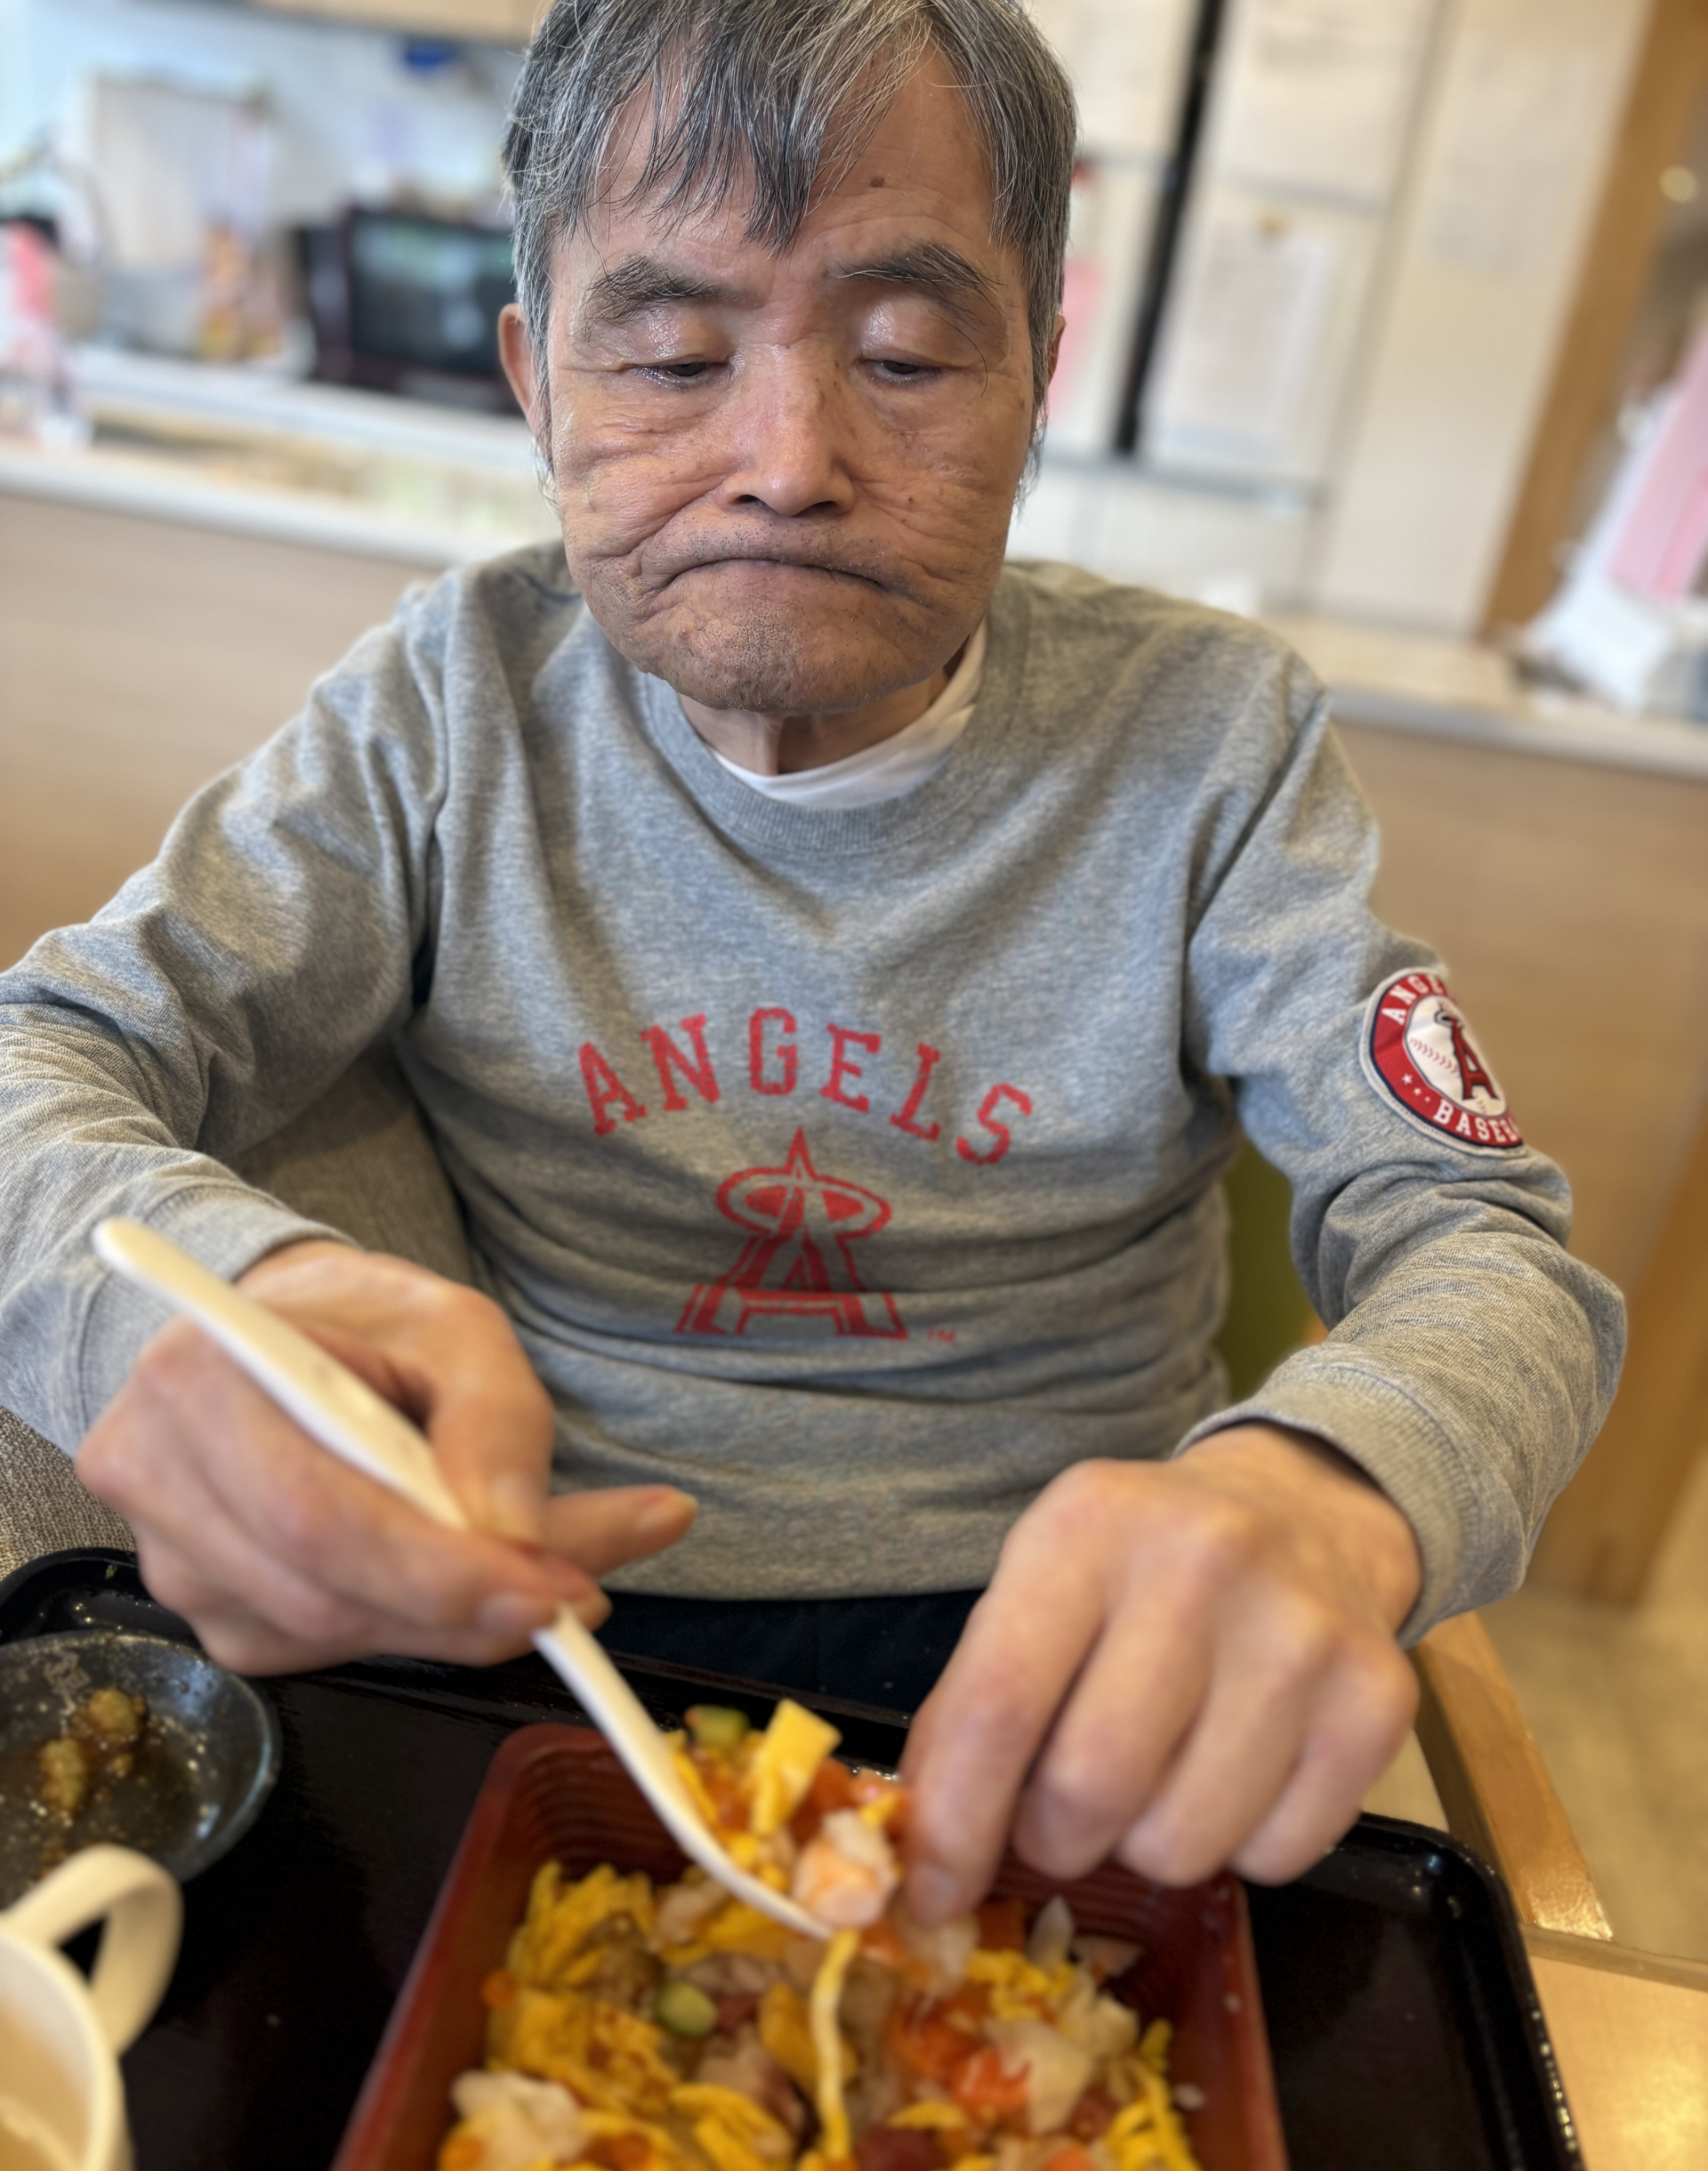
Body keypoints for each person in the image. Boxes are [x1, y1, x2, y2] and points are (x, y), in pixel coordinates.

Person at [0, 0, 1622, 1924]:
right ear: (536, 386)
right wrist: (204, 1312)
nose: (788, 461)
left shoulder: (1211, 743)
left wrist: (1330, 1491)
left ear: (1040, 373)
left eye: (907, 353)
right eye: (673, 356)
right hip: (521, 1620)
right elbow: (43, 1055)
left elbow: (1485, 1238)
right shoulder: (448, 711)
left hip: (1070, 1657)